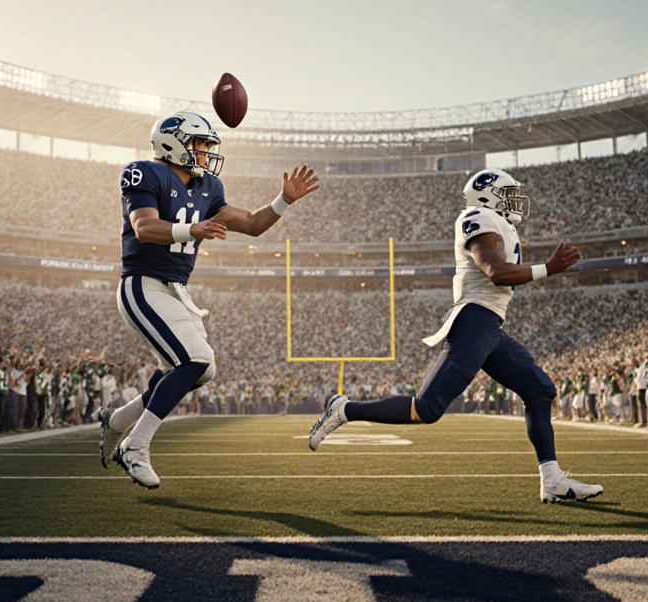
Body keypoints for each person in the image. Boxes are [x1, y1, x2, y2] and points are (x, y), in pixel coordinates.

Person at [308, 169, 603, 503]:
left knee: (540, 390)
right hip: (474, 321)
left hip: (490, 327)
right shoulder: (477, 217)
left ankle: (551, 479)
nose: (514, 202)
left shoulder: (498, 224)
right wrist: (548, 268)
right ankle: (345, 408)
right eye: (506, 194)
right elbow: (496, 272)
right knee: (426, 409)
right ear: (487, 195)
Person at [101, 111, 320, 489]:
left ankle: (119, 420)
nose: (205, 152)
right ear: (173, 143)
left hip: (176, 292)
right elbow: (144, 227)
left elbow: (251, 223)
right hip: (143, 284)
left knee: (201, 370)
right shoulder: (143, 172)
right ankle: (135, 445)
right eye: (200, 143)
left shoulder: (208, 187)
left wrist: (283, 201)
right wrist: (192, 228)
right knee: (194, 359)